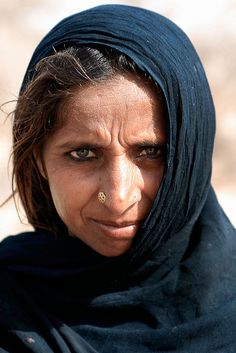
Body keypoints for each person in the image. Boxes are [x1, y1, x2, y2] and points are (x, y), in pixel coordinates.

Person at [0, 4, 236, 352]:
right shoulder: (10, 303)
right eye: (83, 154)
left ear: (190, 156)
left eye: (150, 152)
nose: (118, 195)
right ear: (38, 161)